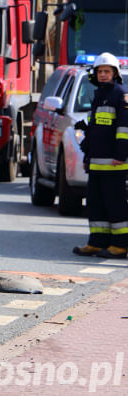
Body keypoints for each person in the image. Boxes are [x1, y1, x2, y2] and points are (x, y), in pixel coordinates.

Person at [74, 52, 128, 259]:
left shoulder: (120, 95)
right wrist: (87, 155)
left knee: (115, 204)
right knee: (95, 203)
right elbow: (96, 130)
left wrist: (121, 155)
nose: (103, 74)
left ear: (115, 74)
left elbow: (124, 129)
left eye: (107, 71)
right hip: (96, 162)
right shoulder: (99, 95)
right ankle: (97, 242)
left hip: (114, 163)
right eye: (100, 71)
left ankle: (121, 245)